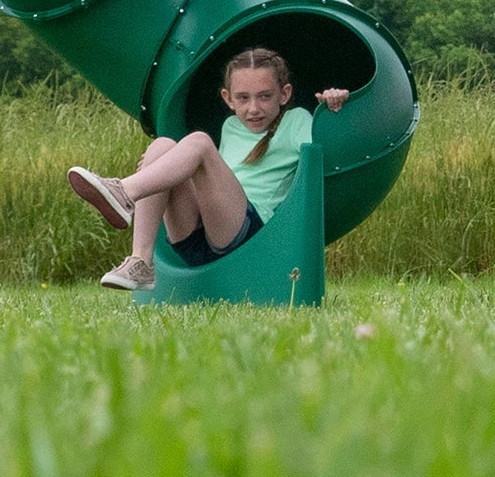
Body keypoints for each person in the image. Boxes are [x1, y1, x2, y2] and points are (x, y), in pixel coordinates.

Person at [67, 47, 350, 293]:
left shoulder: (296, 121)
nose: (253, 108)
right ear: (228, 98)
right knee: (162, 145)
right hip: (197, 238)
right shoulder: (231, 126)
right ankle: (140, 261)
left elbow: (331, 150)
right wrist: (157, 165)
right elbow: (211, 185)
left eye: (265, 96)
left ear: (284, 94)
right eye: (243, 98)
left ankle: (125, 192)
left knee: (201, 143)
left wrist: (334, 107)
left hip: (248, 236)